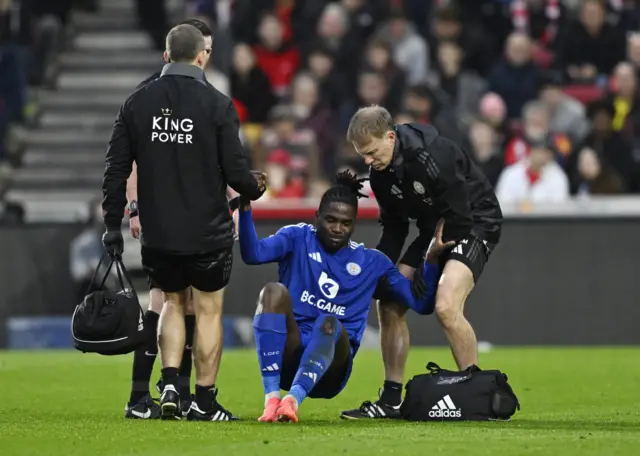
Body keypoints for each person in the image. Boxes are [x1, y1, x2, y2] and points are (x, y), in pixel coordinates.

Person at [101, 23, 265, 421]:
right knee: (207, 311)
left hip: (159, 234)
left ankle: (171, 383)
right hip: (207, 231)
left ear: (166, 55)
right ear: (201, 56)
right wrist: (255, 188)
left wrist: (112, 224)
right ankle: (204, 402)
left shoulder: (136, 103)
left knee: (172, 302)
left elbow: (115, 170)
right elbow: (237, 173)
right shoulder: (218, 105)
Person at [235, 171, 452, 423]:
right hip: (289, 358)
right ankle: (272, 399)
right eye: (330, 220)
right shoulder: (297, 238)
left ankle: (293, 398)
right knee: (272, 292)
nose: (338, 228)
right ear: (317, 217)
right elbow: (253, 254)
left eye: (345, 223)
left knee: (328, 322)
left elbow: (421, 304)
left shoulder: (372, 262)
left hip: (330, 370)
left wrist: (431, 261)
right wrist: (245, 204)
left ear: (354, 223)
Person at [341, 105, 503, 419]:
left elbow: (460, 215)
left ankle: (478, 397)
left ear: (390, 137)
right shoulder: (380, 175)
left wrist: (429, 262)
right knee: (388, 302)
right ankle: (390, 401)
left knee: (445, 306)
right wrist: (378, 270)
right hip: (434, 227)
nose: (367, 161)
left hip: (473, 223)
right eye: (361, 154)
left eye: (372, 152)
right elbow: (395, 228)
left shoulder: (433, 156)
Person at [123, 18, 217, 421]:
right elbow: (133, 159)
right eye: (203, 50)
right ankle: (145, 394)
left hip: (191, 215)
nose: (205, 58)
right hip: (167, 215)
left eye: (209, 51)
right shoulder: (154, 94)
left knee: (184, 304)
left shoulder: (204, 95)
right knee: (164, 302)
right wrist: (134, 206)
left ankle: (171, 391)